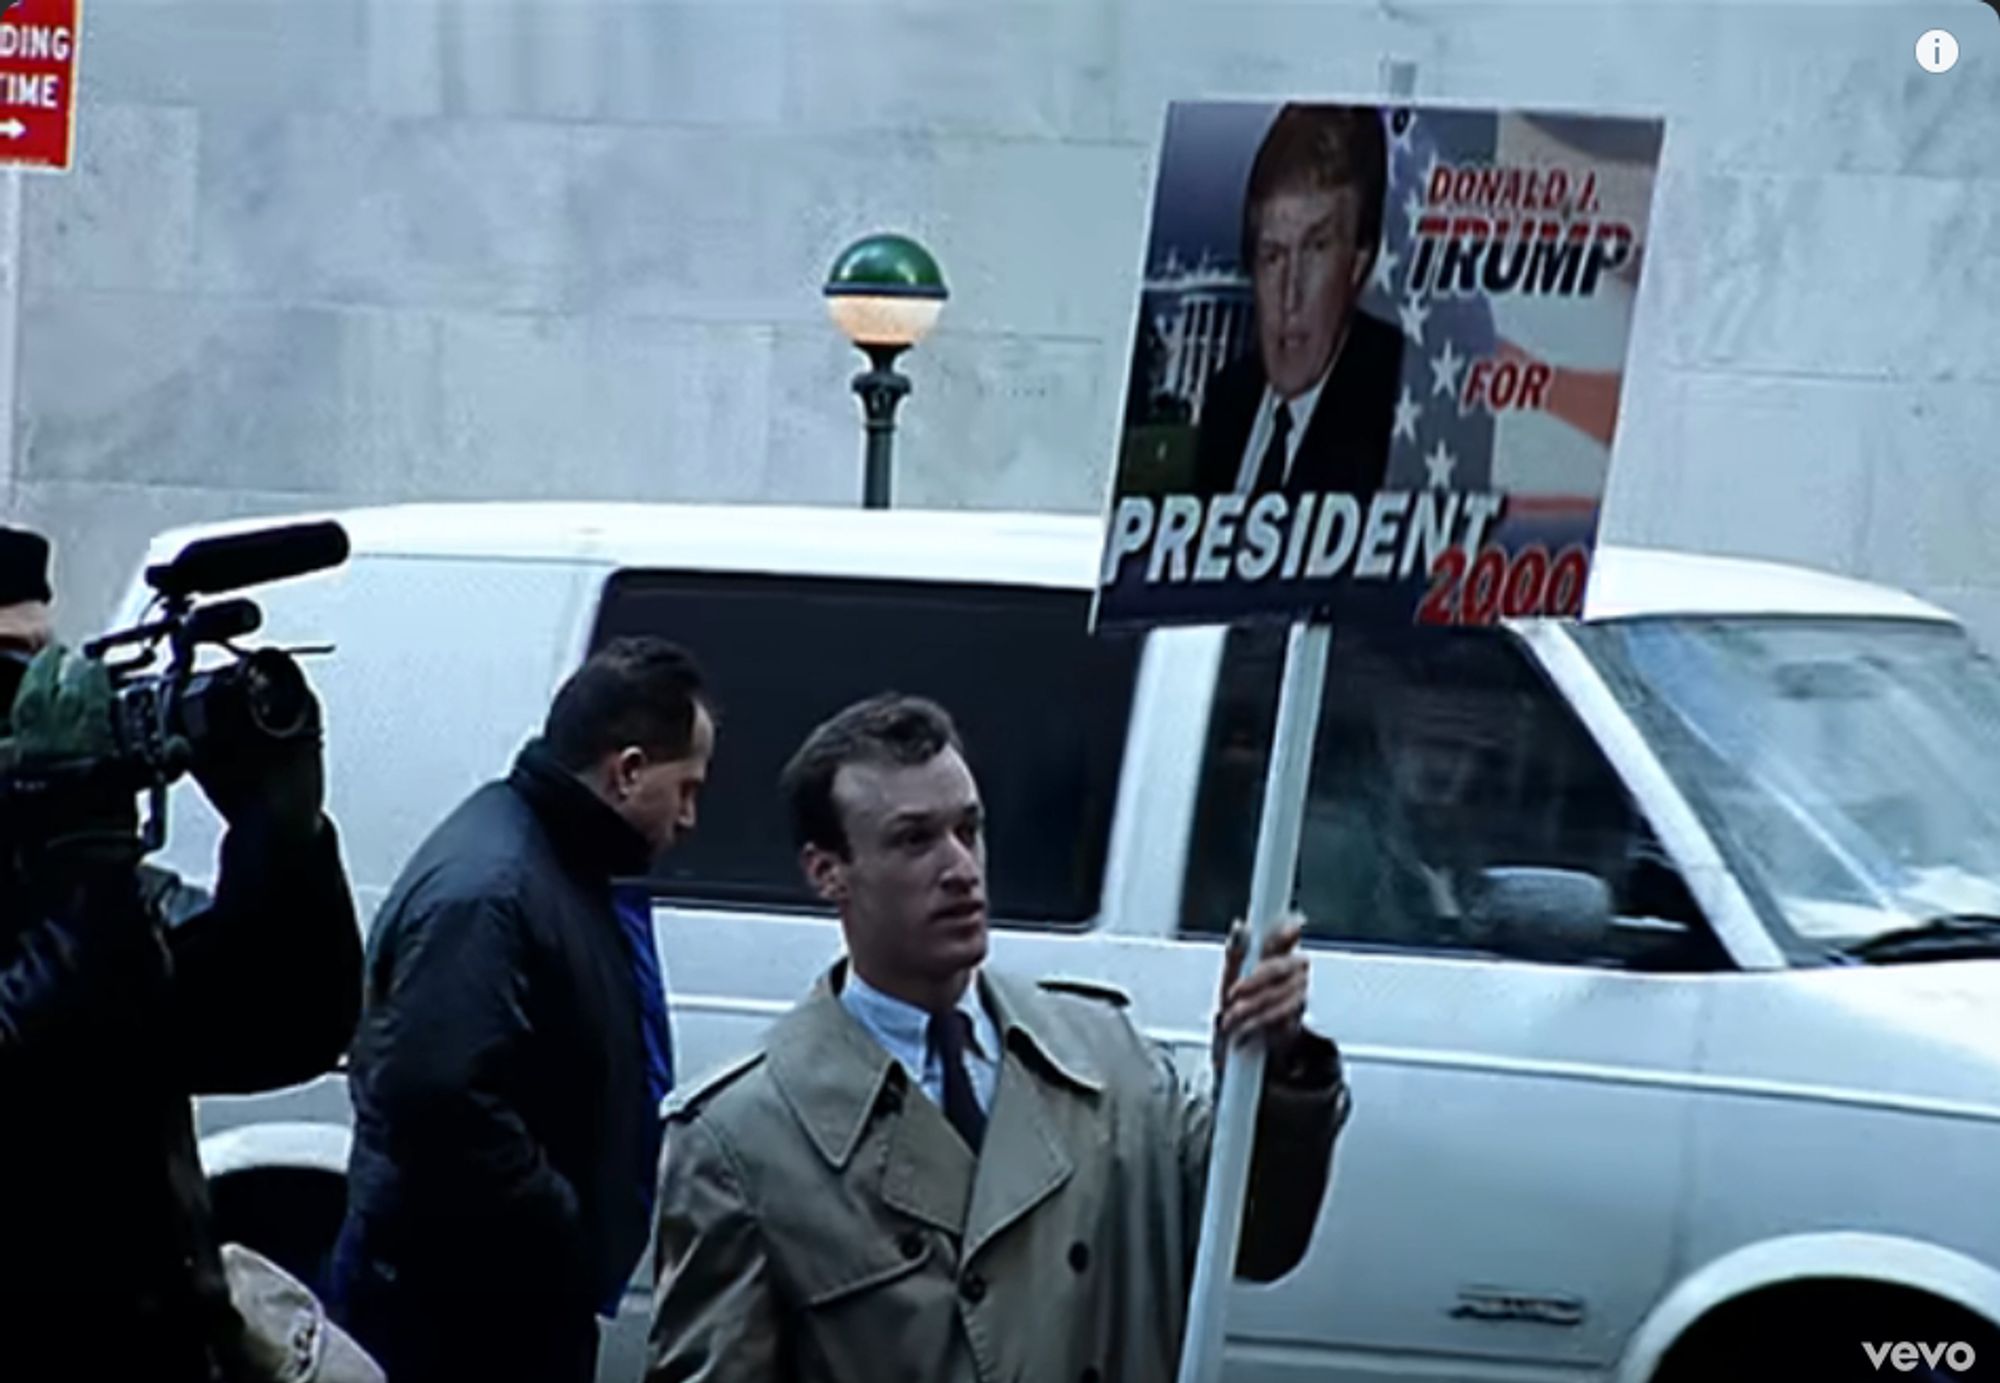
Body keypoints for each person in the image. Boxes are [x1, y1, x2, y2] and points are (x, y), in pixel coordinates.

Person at [647, 693, 1352, 1383]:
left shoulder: (1109, 1060)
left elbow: (1258, 1239)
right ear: (827, 871)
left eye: (969, 829)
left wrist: (1268, 1065)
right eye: (914, 839)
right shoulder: (744, 1137)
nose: (960, 868)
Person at [0, 523, 363, 1381]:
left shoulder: (80, 877)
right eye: (6, 666)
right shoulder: (79, 874)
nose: (29, 699)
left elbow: (283, 1026)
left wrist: (281, 833)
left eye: (44, 661)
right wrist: (85, 858)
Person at [333, 636, 715, 1383]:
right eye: (688, 786)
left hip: (505, 1302)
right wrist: (563, 1229)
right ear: (628, 771)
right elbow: (436, 1094)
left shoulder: (562, 862)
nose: (692, 816)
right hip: (468, 1315)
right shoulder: (495, 887)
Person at [1193, 103, 1403, 499]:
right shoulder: (1227, 402)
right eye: (1273, 256)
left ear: (1359, 262)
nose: (1290, 295)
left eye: (1316, 249)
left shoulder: (1398, 397)